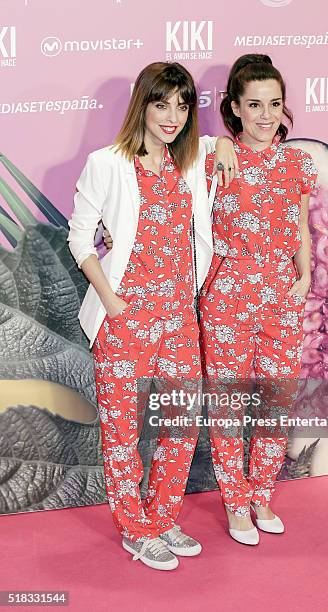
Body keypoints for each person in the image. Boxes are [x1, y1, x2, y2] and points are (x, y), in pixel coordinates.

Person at [67, 62, 236, 571]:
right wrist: (111, 300)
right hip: (125, 318)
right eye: (161, 104)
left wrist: (221, 142)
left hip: (179, 316)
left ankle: (162, 517)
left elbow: (211, 148)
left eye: (183, 107)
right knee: (121, 431)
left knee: (181, 426)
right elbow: (79, 237)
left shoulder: (186, 162)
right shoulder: (107, 162)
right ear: (142, 103)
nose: (172, 116)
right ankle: (134, 529)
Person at [199, 54, 318, 545]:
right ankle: (235, 502)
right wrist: (221, 141)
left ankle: (262, 492)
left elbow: (301, 224)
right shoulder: (213, 159)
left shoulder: (297, 162)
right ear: (235, 108)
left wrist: (306, 274)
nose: (266, 115)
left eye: (274, 104)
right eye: (254, 105)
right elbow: (165, 147)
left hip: (282, 295)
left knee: (276, 403)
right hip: (228, 295)